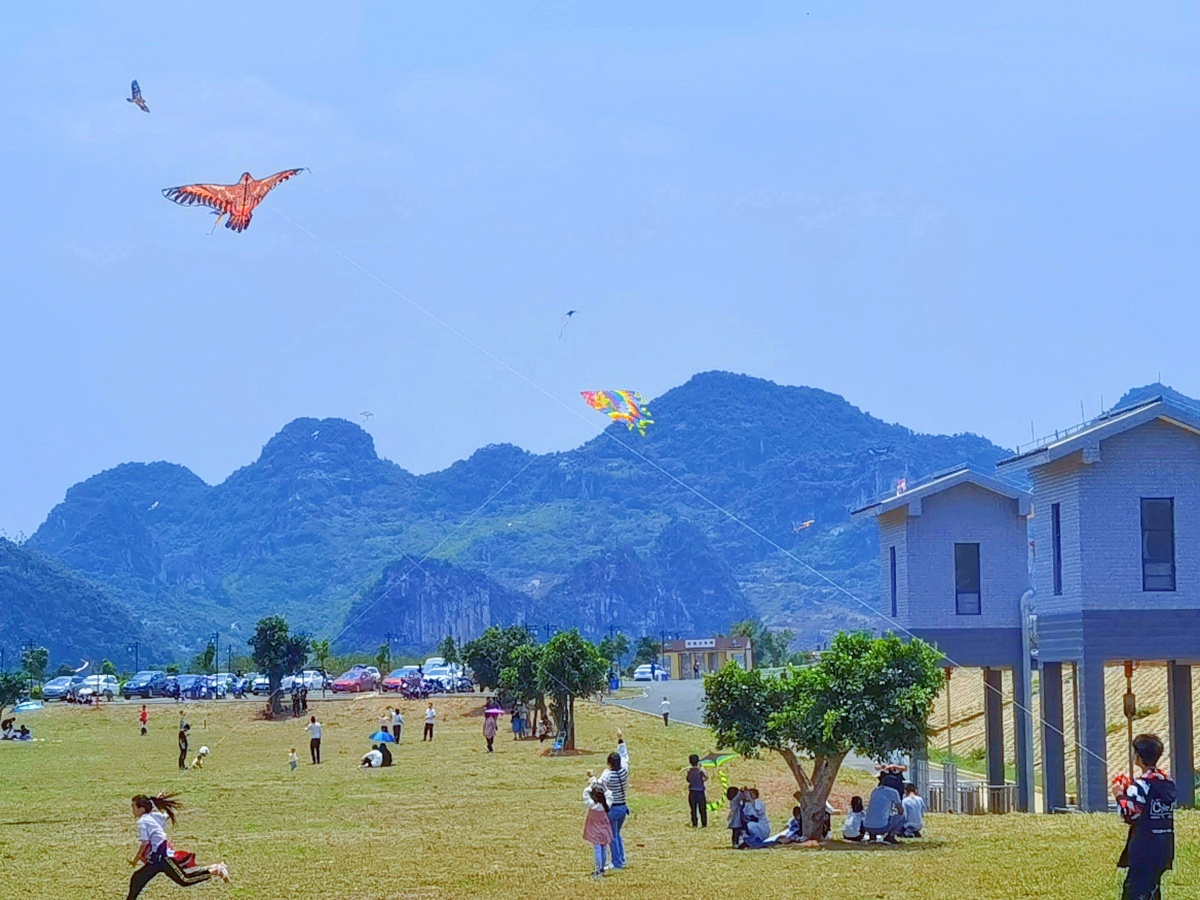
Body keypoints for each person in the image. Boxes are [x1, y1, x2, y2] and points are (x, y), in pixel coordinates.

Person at [125, 793, 229, 899]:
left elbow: (144, 844)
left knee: (185, 880)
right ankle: (215, 868)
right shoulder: (153, 816)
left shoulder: (142, 822)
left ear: (141, 809)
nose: (132, 810)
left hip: (163, 858)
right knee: (137, 878)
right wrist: (157, 800)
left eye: (133, 807)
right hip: (156, 860)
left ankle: (216, 870)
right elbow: (160, 815)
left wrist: (136, 859)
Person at [1114, 733, 1176, 900]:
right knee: (1153, 889)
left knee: (1135, 891)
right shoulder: (1168, 782)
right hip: (1164, 846)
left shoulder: (1140, 785)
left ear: (1138, 757)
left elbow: (1130, 815)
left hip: (1144, 848)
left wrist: (1120, 795)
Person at [596, 729, 630, 869]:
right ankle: (621, 859)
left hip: (612, 808)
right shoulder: (624, 770)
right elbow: (624, 755)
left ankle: (617, 862)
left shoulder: (608, 775)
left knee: (612, 835)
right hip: (623, 807)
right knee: (617, 834)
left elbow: (598, 786)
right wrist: (620, 739)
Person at [583, 783, 614, 879]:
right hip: (604, 827)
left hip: (594, 828)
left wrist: (591, 784)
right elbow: (609, 794)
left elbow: (585, 793)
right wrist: (604, 787)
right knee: (603, 847)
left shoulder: (592, 804)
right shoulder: (606, 804)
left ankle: (598, 870)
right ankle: (602, 869)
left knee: (597, 848)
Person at [864, 772, 905, 844]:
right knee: (901, 816)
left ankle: (872, 836)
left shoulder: (875, 791)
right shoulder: (893, 792)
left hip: (867, 826)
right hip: (882, 827)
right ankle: (890, 836)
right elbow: (900, 810)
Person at [686, 754, 708, 827]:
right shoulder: (700, 770)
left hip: (692, 791)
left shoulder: (689, 770)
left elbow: (688, 779)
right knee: (702, 809)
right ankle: (704, 823)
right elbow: (706, 777)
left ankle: (694, 823)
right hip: (700, 792)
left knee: (693, 809)